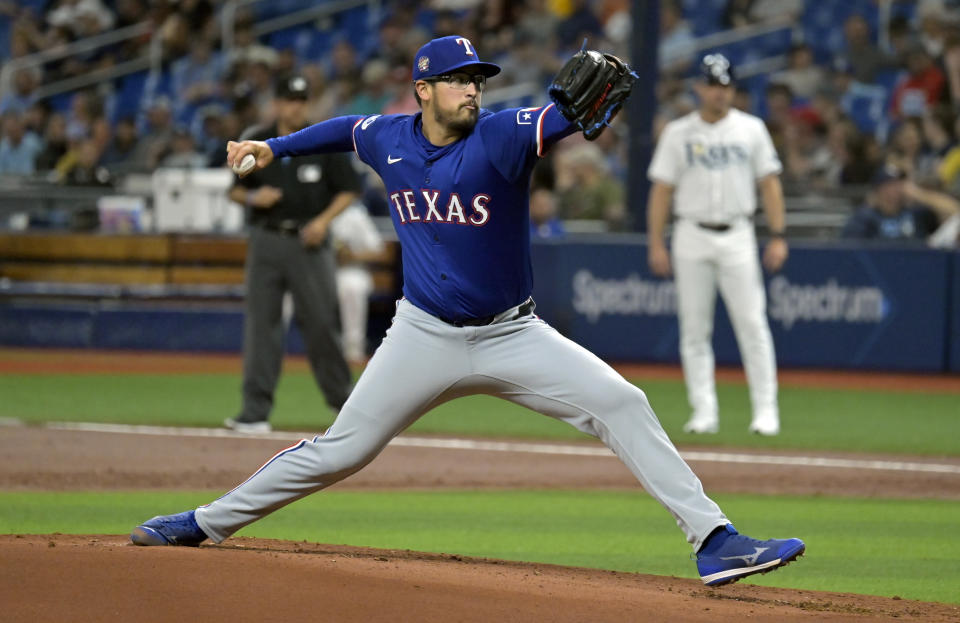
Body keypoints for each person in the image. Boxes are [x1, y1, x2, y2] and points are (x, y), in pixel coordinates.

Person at [130, 36, 805, 587]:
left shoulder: (504, 135)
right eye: (457, 79)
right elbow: (343, 131)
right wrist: (273, 147)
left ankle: (715, 540)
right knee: (341, 450)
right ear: (423, 89)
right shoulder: (388, 137)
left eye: (477, 79)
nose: (472, 89)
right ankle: (206, 520)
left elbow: (557, 119)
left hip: (514, 332)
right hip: (422, 333)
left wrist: (576, 112)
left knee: (622, 401)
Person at [647, 53, 788, 437]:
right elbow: (662, 191)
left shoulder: (752, 129)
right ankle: (704, 412)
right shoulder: (679, 132)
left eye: (726, 86)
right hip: (690, 232)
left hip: (739, 233)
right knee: (694, 329)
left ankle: (765, 412)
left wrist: (778, 235)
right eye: (712, 85)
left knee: (753, 324)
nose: (719, 93)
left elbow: (770, 184)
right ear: (698, 88)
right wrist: (655, 243)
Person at [222, 74, 359, 434]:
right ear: (277, 103)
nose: (296, 106)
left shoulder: (319, 139)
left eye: (301, 100)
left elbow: (349, 189)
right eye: (289, 99)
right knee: (261, 326)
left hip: (309, 242)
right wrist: (254, 197)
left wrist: (323, 222)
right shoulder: (259, 137)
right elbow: (234, 190)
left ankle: (348, 409)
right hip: (267, 239)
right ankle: (254, 411)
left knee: (322, 326)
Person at [842, 164, 959, 241]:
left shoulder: (915, 213)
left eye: (899, 184)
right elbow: (851, 253)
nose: (896, 189)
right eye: (890, 185)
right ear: (879, 189)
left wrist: (918, 193)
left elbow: (955, 212)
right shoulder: (865, 218)